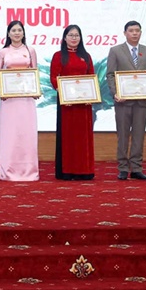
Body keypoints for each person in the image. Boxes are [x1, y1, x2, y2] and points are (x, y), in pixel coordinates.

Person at [106, 21, 146, 180]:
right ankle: (122, 168)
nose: (134, 33)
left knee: (139, 136)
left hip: (141, 102)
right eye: (131, 30)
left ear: (141, 33)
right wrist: (115, 93)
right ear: (125, 33)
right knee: (123, 135)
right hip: (123, 101)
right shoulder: (115, 51)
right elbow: (110, 74)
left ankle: (136, 168)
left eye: (137, 30)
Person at [49, 24, 95, 180]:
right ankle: (67, 171)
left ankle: (84, 171)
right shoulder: (58, 56)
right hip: (66, 104)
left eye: (77, 35)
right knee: (68, 137)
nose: (74, 38)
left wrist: (91, 96)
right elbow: (54, 77)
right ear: (64, 38)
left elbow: (91, 77)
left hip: (84, 104)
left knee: (83, 138)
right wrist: (63, 94)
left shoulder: (86, 56)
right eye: (71, 35)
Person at [0, 20, 39, 181]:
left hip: (26, 99)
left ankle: (29, 171)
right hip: (9, 100)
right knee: (10, 134)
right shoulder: (3, 52)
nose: (16, 33)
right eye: (13, 30)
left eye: (19, 30)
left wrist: (35, 89)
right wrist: (4, 87)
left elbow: (34, 71)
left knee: (26, 134)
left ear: (23, 33)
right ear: (8, 33)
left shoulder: (30, 50)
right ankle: (8, 170)